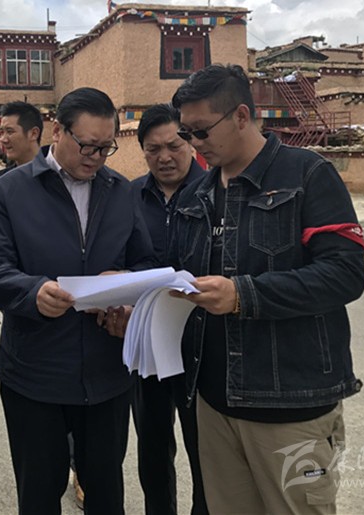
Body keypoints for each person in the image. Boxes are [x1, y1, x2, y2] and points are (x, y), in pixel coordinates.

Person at [168, 64, 364, 513]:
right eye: (187, 133)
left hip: (289, 407)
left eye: (202, 131)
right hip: (214, 404)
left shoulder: (307, 175)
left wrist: (244, 296)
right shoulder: (197, 195)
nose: (194, 144)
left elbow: (344, 274)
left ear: (241, 115)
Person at [0, 87, 155, 515]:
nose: (95, 157)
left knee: (106, 494)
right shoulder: (11, 190)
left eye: (105, 148)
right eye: (86, 145)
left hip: (107, 374)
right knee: (39, 494)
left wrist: (127, 289)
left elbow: (145, 261)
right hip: (34, 374)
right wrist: (32, 292)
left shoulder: (120, 191)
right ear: (57, 131)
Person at [130, 103, 208, 515]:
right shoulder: (128, 196)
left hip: (202, 343)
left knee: (205, 449)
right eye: (153, 149)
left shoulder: (215, 191)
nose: (164, 157)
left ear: (191, 143)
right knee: (153, 446)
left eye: (174, 146)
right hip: (147, 343)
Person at [0, 101, 43, 328]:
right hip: (13, 288)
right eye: (1, 133)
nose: (3, 139)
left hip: (50, 289)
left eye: (10, 131)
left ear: (33, 133)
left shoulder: (57, 179)